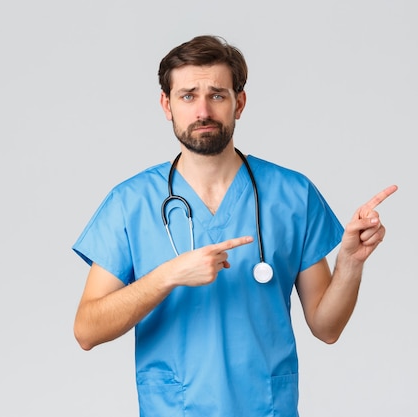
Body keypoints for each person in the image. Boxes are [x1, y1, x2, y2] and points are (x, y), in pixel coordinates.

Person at [72, 34, 397, 417]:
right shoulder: (131, 203)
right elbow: (87, 330)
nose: (203, 111)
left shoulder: (292, 194)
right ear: (167, 104)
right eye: (188, 96)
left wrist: (350, 265)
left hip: (265, 408)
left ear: (239, 103)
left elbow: (327, 327)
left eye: (217, 95)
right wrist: (168, 276)